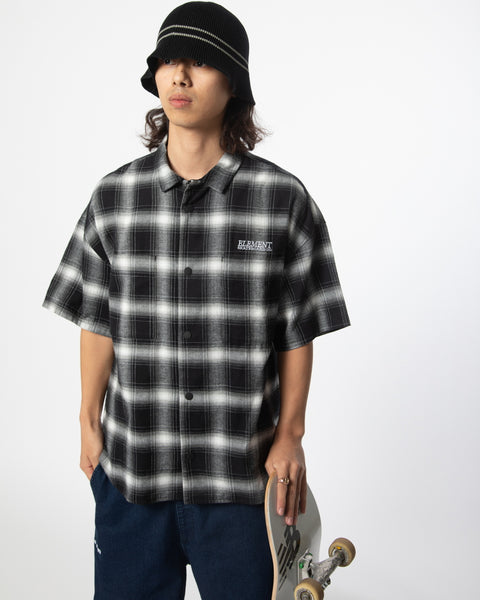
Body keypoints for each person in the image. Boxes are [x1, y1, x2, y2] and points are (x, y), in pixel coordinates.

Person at [42, 2, 350, 598]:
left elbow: (298, 331)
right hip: (132, 480)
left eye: (201, 63)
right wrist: (87, 420)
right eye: (168, 62)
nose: (179, 77)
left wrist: (290, 434)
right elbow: (97, 320)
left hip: (241, 488)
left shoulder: (282, 200)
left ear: (233, 82)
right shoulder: (113, 198)